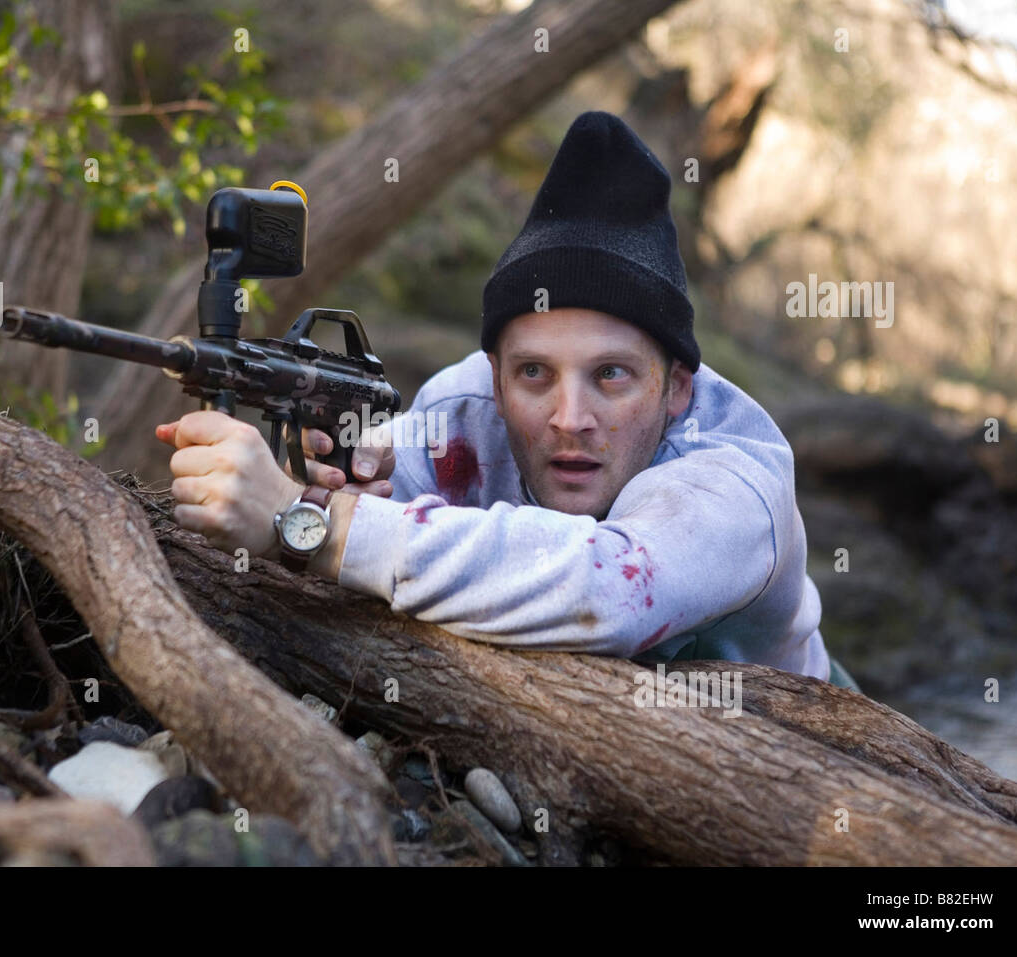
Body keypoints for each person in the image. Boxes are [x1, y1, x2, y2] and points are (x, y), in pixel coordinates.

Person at [156, 111, 860, 690]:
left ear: (677, 385)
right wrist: (354, 485)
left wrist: (308, 520)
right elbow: (385, 569)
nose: (569, 418)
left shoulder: (736, 482)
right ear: (493, 377)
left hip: (796, 747)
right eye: (533, 374)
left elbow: (608, 590)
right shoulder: (460, 411)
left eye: (611, 374)